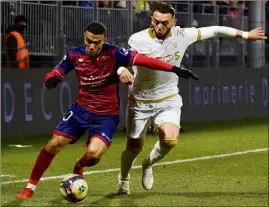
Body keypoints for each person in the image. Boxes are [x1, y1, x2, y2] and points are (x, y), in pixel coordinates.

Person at [16, 21, 198, 200]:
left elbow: (145, 61)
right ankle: (30, 186)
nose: (91, 46)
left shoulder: (113, 53)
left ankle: (79, 165)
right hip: (80, 111)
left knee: (94, 155)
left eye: (97, 42)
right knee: (53, 144)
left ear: (103, 41)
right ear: (84, 38)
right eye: (88, 41)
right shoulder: (74, 55)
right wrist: (51, 78)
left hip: (106, 117)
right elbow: (57, 71)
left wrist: (174, 68)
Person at [117, 2, 267, 195]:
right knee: (134, 147)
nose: (160, 26)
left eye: (165, 22)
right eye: (156, 22)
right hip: (139, 100)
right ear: (151, 20)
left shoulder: (182, 35)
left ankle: (148, 164)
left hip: (168, 98)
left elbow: (214, 30)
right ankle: (124, 179)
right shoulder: (137, 39)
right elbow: (120, 61)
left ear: (174, 21)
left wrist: (246, 35)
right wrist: (122, 71)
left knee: (170, 140)